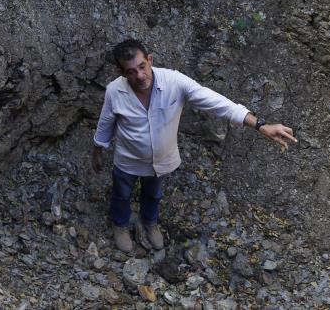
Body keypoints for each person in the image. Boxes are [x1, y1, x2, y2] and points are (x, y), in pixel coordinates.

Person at [92, 39, 297, 253]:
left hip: (160, 162)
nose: (140, 76)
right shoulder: (115, 91)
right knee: (121, 194)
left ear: (150, 60)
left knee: (153, 194)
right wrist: (97, 151)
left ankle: (150, 222)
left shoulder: (174, 82)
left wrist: (261, 126)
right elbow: (106, 123)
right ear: (123, 73)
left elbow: (216, 102)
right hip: (127, 161)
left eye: (142, 67)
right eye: (131, 72)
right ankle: (120, 225)